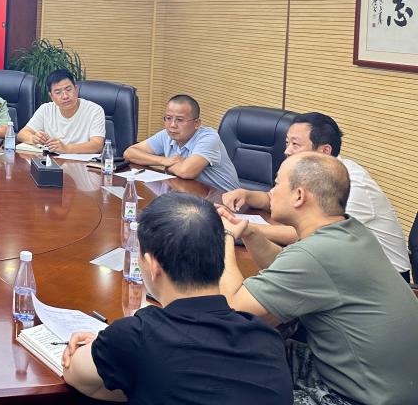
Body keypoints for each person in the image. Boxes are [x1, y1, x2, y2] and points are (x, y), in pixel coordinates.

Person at [219, 153, 418, 405]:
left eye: (277, 184)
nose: (271, 192)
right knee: (255, 351)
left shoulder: (315, 254)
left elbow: (233, 308)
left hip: (359, 397)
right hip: (386, 382)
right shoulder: (350, 231)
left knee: (224, 368)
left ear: (299, 196)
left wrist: (224, 237)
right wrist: (249, 232)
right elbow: (288, 268)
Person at [61, 193, 291, 404]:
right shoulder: (268, 340)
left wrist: (107, 347)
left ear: (153, 265)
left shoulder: (136, 337)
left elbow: (74, 373)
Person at [221, 111, 409, 277]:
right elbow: (272, 199)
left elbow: (313, 233)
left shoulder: (350, 182)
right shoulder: (311, 171)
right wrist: (247, 195)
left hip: (384, 274)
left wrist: (243, 228)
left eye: (295, 144)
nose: (287, 151)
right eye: (287, 143)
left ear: (325, 151)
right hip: (341, 263)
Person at [124, 95, 239, 191]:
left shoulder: (209, 137)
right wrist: (163, 161)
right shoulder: (166, 135)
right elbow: (129, 153)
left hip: (225, 201)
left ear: (197, 123)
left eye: (179, 120)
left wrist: (169, 167)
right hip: (191, 194)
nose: (172, 125)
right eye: (168, 118)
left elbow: (186, 172)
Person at [16, 69, 105, 154]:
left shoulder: (94, 110)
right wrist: (34, 138)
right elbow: (22, 134)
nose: (65, 96)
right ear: (51, 96)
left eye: (68, 89)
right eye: (58, 92)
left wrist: (66, 149)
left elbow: (97, 145)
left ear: (76, 89)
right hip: (52, 161)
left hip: (83, 163)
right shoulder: (45, 109)